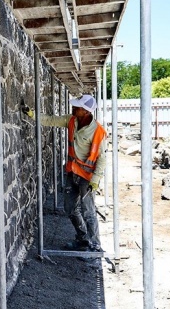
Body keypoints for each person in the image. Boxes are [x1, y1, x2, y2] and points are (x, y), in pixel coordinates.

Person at [21, 94, 106, 253]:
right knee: (70, 208)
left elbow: (102, 159)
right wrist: (32, 114)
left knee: (88, 211)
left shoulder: (98, 132)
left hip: (87, 178)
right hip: (72, 172)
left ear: (86, 111)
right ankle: (82, 239)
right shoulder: (72, 120)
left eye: (77, 107)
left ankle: (95, 245)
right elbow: (51, 120)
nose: (73, 108)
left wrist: (95, 180)